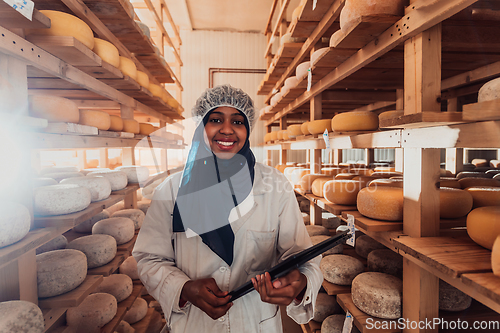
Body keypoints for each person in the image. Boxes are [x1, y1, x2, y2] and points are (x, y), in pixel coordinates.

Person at [133, 84, 322, 333]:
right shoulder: (170, 190)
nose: (226, 129)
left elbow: (303, 256)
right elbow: (150, 258)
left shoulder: (275, 185)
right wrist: (184, 288)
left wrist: (300, 282)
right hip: (195, 324)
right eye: (215, 120)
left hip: (257, 323)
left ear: (247, 129)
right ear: (201, 127)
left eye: (237, 121)